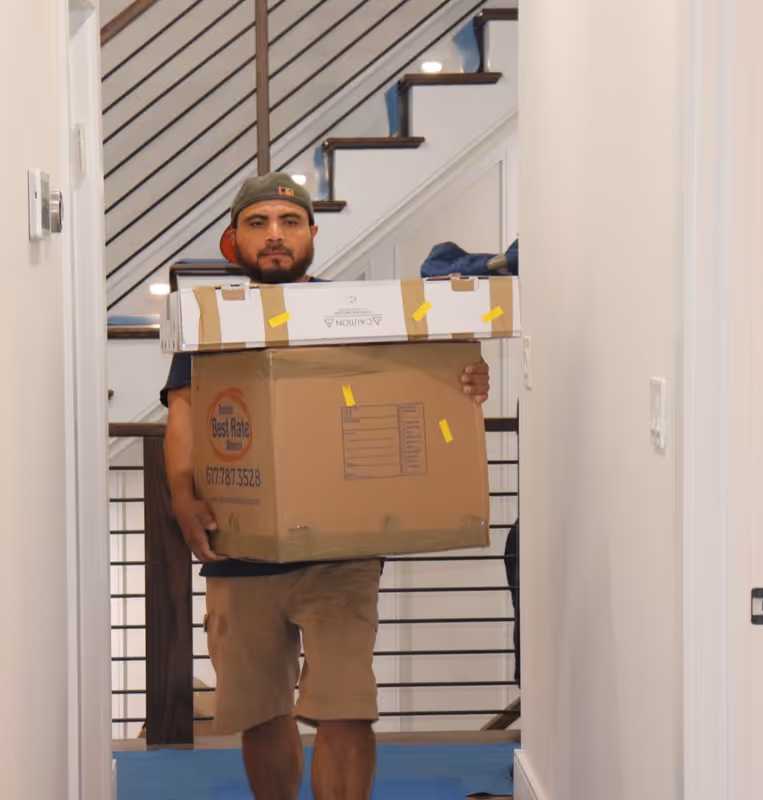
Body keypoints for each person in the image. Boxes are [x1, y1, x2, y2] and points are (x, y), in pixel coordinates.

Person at [161, 173, 491, 800]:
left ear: (312, 233)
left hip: (342, 552)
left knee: (346, 707)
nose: (275, 236)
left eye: (289, 223)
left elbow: (421, 383)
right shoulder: (212, 319)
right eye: (258, 224)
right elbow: (184, 411)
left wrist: (465, 382)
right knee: (259, 712)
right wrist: (182, 497)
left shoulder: (359, 313)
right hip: (240, 549)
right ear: (235, 241)